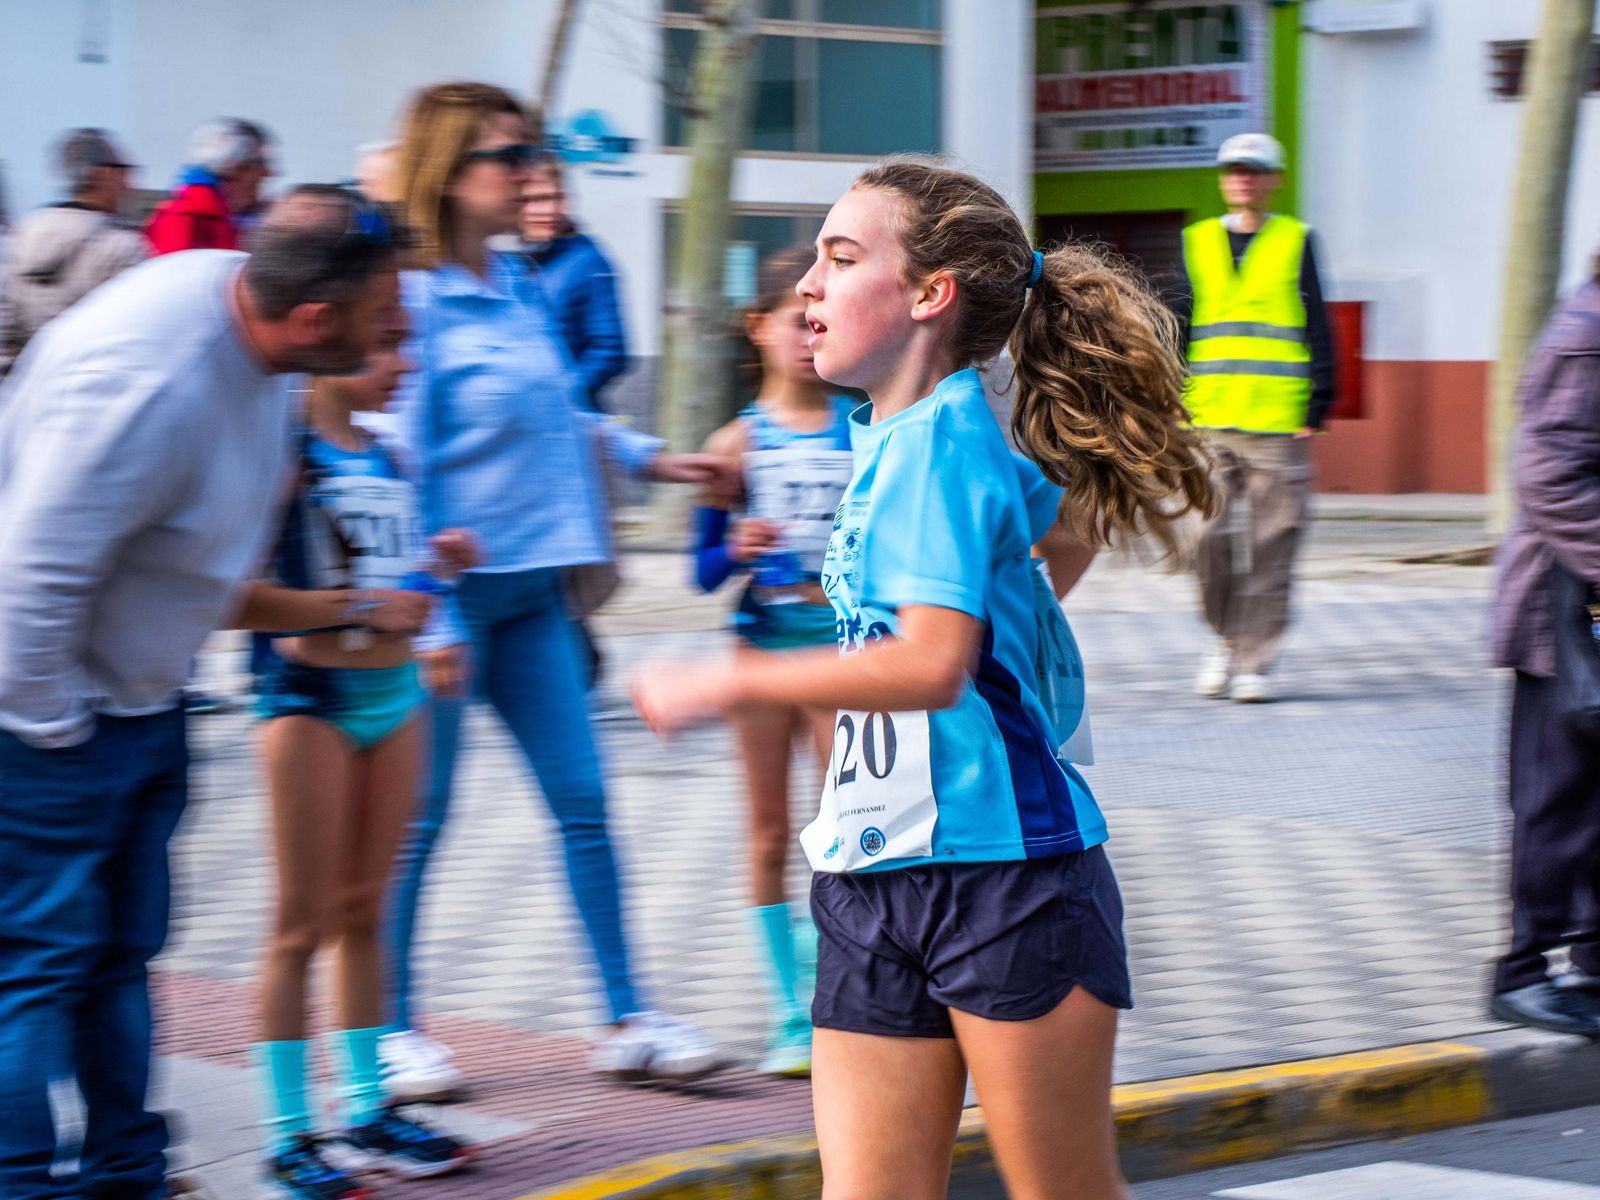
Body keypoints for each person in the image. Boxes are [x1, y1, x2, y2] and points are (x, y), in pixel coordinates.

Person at [632, 159, 1213, 1199]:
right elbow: (1060, 528)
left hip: (1007, 880)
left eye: (840, 257)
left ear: (927, 296)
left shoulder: (942, 445)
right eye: (812, 256)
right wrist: (1019, 611)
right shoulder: (900, 440)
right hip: (867, 875)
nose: (806, 282)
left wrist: (730, 684)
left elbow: (932, 664)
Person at [0, 185, 403, 1200]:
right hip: (44, 722)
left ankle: (128, 1172)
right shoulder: (149, 384)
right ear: (316, 320)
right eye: (382, 311)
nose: (400, 326)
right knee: (41, 969)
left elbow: (195, 568)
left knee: (119, 958)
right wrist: (56, 736)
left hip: (138, 704)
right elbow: (29, 580)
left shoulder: (255, 340)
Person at [379, 81, 738, 1101]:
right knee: (420, 820)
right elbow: (398, 464)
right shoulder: (407, 300)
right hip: (454, 605)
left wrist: (654, 460)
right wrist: (431, 611)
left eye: (534, 152)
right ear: (449, 176)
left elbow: (564, 421)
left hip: (537, 593)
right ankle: (390, 1032)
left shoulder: (516, 281)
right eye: (510, 156)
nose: (534, 172)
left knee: (584, 802)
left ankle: (629, 1018)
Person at [240, 288, 483, 1195]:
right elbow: (245, 599)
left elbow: (386, 574)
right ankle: (287, 1134)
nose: (407, 362)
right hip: (309, 704)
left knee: (364, 916)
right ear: (335, 347)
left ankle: (367, 1107)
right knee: (298, 925)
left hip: (397, 696)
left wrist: (436, 566)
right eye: (391, 346)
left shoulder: (386, 452)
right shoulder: (285, 458)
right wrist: (363, 606)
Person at [693, 245, 857, 1076]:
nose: (808, 334)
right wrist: (735, 545)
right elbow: (702, 571)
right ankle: (787, 1015)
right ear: (756, 328)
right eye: (796, 320)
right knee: (764, 834)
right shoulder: (734, 442)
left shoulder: (859, 426)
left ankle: (834, 985)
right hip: (760, 649)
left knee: (839, 829)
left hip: (837, 654)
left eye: (819, 318)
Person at [1176, 132, 1336, 704]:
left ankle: (1253, 661)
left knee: (1273, 545)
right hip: (1208, 417)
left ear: (1274, 179)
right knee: (1205, 540)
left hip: (1277, 420)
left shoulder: (1295, 241)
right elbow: (1178, 326)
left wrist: (1318, 404)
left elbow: (1318, 323)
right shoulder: (1196, 241)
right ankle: (1226, 640)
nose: (1243, 177)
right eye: (1233, 169)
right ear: (1224, 179)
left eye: (1254, 169)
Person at [1488, 264, 1600, 1037]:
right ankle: (1524, 972)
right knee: (1556, 803)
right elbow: (1549, 474)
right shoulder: (1585, 340)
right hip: (1561, 617)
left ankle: (1591, 960)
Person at [0, 128, 146, 377]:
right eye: (125, 170)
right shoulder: (121, 249)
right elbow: (139, 342)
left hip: (26, 400)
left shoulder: (16, 241)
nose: (131, 182)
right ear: (101, 175)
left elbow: (6, 338)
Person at [517, 151, 628, 412]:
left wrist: (559, 397)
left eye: (557, 198)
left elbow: (610, 350)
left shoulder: (587, 261)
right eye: (534, 199)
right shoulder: (516, 261)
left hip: (567, 420)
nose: (550, 210)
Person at [146, 118, 275, 254]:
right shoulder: (186, 217)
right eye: (261, 163)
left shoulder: (242, 217)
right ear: (237, 168)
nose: (269, 173)